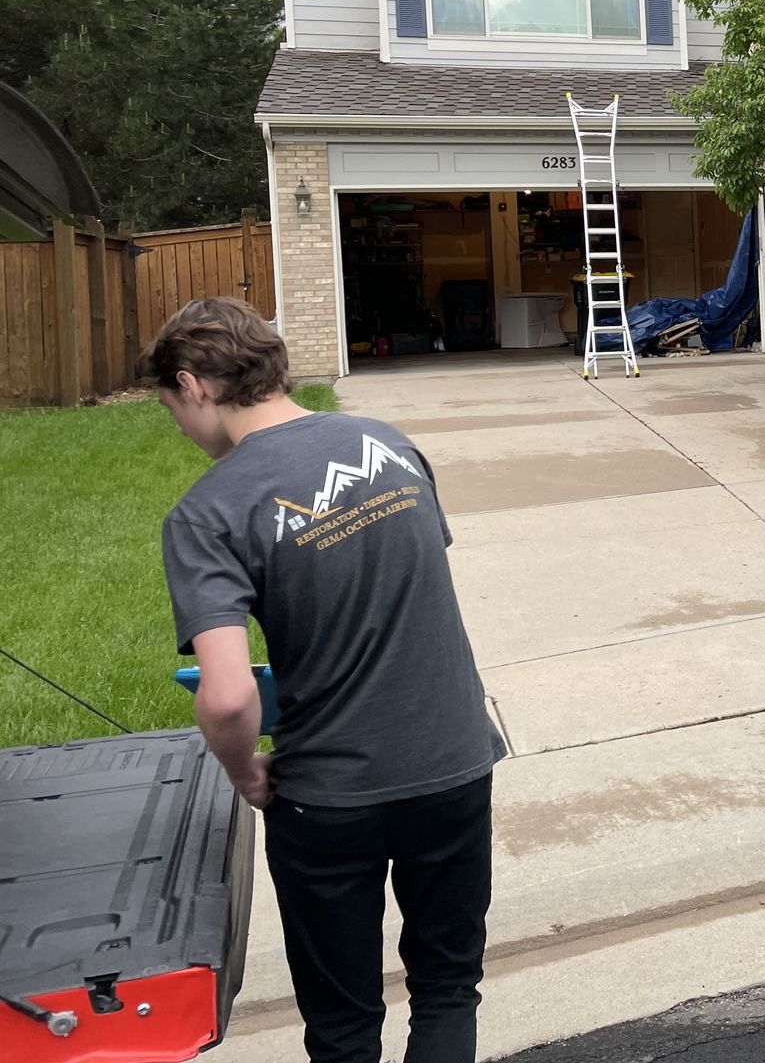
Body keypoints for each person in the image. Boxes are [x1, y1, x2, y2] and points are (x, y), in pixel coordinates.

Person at [144, 297, 504, 1063]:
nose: (180, 427)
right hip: (454, 766)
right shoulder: (387, 443)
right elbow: (401, 593)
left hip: (329, 796)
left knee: (343, 1023)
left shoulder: (206, 512)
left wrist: (245, 772)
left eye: (173, 408)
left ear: (193, 384)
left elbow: (230, 694)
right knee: (446, 990)